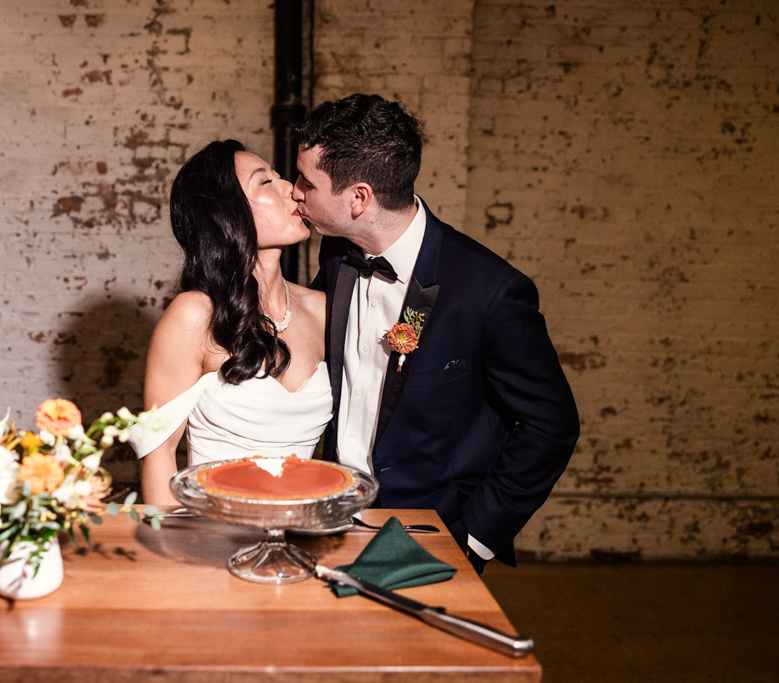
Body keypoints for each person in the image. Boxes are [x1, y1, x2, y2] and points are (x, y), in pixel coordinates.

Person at [292, 94, 579, 572]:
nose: (294, 190)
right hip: (329, 525)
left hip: (429, 537)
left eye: (307, 181)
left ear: (359, 198)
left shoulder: (489, 291)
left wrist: (473, 537)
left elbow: (552, 426)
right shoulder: (337, 258)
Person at [133, 139, 332, 505]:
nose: (292, 188)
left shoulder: (323, 309)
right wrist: (175, 554)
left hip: (302, 536)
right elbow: (158, 454)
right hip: (211, 536)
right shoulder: (194, 316)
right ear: (227, 213)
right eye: (266, 182)